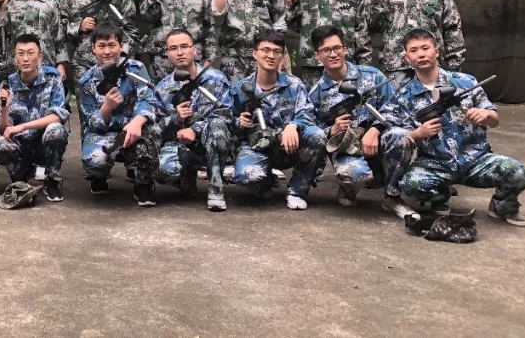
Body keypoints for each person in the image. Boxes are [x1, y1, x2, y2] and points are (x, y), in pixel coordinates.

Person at [389, 29, 525, 227]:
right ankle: (439, 197)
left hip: (476, 160)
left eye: (425, 48)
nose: (421, 54)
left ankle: (503, 206)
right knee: (411, 185)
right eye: (414, 50)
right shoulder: (405, 95)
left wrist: (485, 115)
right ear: (406, 57)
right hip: (435, 163)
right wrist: (419, 133)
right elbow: (402, 135)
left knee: (516, 172)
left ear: (436, 51)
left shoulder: (465, 82)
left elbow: (494, 119)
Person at [306, 25, 410, 212]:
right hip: (347, 149)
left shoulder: (372, 76)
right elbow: (312, 131)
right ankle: (349, 188)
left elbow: (395, 108)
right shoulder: (316, 94)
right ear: (317, 56)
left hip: (378, 143)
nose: (333, 54)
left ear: (345, 49)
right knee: (354, 175)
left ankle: (392, 195)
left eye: (337, 48)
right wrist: (332, 130)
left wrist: (376, 129)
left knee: (400, 135)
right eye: (326, 50)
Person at [231, 30, 326, 210]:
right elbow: (229, 120)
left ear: (282, 56)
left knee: (317, 135)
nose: (271, 56)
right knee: (247, 176)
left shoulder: (294, 84)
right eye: (265, 50)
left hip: (288, 146)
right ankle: (265, 180)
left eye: (276, 51)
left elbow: (307, 113)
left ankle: (297, 190)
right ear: (255, 53)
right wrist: (239, 122)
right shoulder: (241, 88)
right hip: (257, 147)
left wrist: (293, 125)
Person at [77, 23, 161, 206]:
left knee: (153, 131)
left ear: (121, 46)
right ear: (93, 48)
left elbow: (148, 99)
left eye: (112, 45)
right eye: (101, 46)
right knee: (94, 161)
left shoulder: (136, 69)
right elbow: (90, 123)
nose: (107, 51)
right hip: (105, 132)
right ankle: (98, 177)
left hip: (133, 130)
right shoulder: (86, 81)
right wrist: (106, 108)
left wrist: (137, 122)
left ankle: (144, 183)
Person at [153, 29, 233, 212]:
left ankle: (216, 187)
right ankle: (186, 179)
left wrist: (195, 129)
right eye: (174, 48)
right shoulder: (164, 87)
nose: (180, 52)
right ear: (167, 53)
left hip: (210, 141)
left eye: (184, 46)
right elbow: (157, 126)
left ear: (194, 50)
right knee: (162, 170)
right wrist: (175, 118)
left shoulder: (216, 79)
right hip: (179, 144)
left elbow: (226, 114)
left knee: (218, 126)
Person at [0, 34, 70, 202]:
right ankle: (19, 177)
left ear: (39, 57)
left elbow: (58, 116)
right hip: (21, 145)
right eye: (20, 54)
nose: (25, 59)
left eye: (30, 53)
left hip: (43, 143)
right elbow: (4, 129)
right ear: (15, 58)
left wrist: (23, 126)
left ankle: (52, 180)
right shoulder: (7, 84)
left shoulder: (52, 77)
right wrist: (4, 109)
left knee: (56, 130)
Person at [0, 0, 69, 79]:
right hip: (17, 66)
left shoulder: (51, 3)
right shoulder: (11, 2)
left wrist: (61, 64)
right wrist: (1, 10)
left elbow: (59, 36)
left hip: (46, 64)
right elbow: (2, 33)